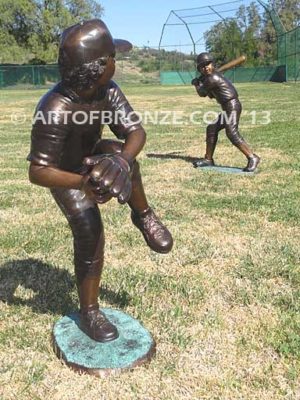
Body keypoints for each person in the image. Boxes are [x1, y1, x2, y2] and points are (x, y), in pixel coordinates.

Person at [27, 19, 173, 343]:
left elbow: (135, 132)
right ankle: (90, 311)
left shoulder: (107, 90)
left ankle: (144, 215)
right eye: (112, 59)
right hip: (65, 176)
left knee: (121, 154)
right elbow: (38, 171)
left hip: (93, 159)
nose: (116, 64)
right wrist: (81, 184)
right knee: (90, 229)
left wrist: (120, 161)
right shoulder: (53, 109)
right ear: (96, 68)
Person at [191, 52, 260, 172]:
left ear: (213, 64)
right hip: (228, 107)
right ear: (200, 69)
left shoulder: (212, 78)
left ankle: (252, 157)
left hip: (232, 106)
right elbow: (211, 95)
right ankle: (208, 159)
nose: (206, 67)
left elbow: (202, 93)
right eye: (203, 66)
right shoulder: (212, 76)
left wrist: (196, 84)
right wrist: (203, 82)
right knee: (211, 128)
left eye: (208, 64)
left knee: (232, 133)